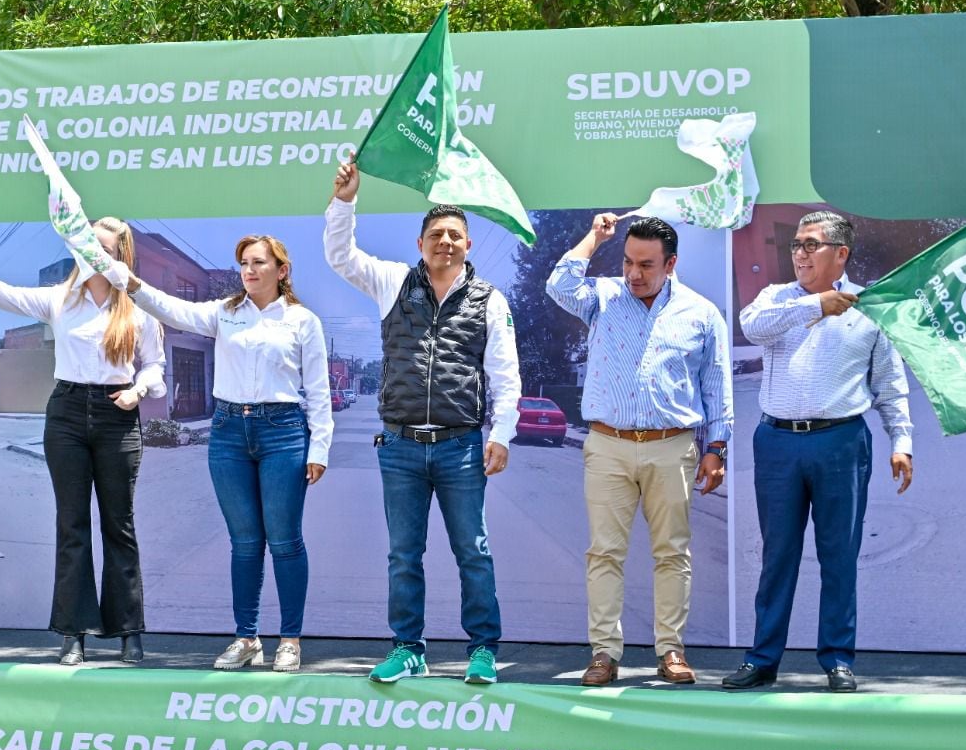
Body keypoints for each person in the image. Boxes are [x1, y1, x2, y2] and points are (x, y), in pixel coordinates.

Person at [0, 218, 165, 666]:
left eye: (99, 245)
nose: (88, 249)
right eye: (84, 242)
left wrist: (138, 390)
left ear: (118, 254)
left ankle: (129, 632)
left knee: (119, 526)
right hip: (67, 416)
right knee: (71, 524)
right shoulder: (63, 298)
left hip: (118, 417)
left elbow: (154, 365)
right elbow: (4, 293)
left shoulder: (137, 308)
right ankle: (72, 633)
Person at [325, 157, 521, 686]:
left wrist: (500, 435)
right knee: (403, 555)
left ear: (468, 245)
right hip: (401, 446)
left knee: (473, 551)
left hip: (461, 447)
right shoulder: (393, 283)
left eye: (456, 235)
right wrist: (345, 200)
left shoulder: (489, 300)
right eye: (436, 234)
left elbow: (505, 375)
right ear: (420, 244)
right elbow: (340, 256)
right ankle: (408, 647)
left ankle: (483, 648)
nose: (446, 242)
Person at [105, 235, 332, 673]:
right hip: (228, 432)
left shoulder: (302, 321)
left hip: (283, 431)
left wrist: (319, 446)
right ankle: (247, 638)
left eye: (259, 263)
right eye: (244, 263)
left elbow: (318, 392)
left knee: (284, 541)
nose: (249, 270)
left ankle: (290, 640)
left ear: (281, 271)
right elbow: (174, 309)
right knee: (245, 543)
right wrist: (133, 285)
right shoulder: (224, 313)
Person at [723, 212, 913, 694]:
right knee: (777, 555)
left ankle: (837, 659)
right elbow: (753, 327)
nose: (800, 254)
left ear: (840, 253)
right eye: (796, 246)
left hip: (841, 440)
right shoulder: (776, 298)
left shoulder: (870, 307)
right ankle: (763, 658)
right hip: (778, 441)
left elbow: (890, 384)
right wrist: (816, 307)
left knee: (839, 555)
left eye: (811, 245)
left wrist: (902, 442)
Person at [546, 214, 731, 688]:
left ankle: (671, 650)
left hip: (672, 448)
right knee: (604, 553)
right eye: (628, 261)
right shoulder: (602, 299)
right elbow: (559, 284)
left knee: (672, 553)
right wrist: (595, 239)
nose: (633, 273)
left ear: (671, 263)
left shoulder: (701, 313)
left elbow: (716, 385)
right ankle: (604, 654)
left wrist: (717, 446)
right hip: (607, 445)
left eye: (646, 265)